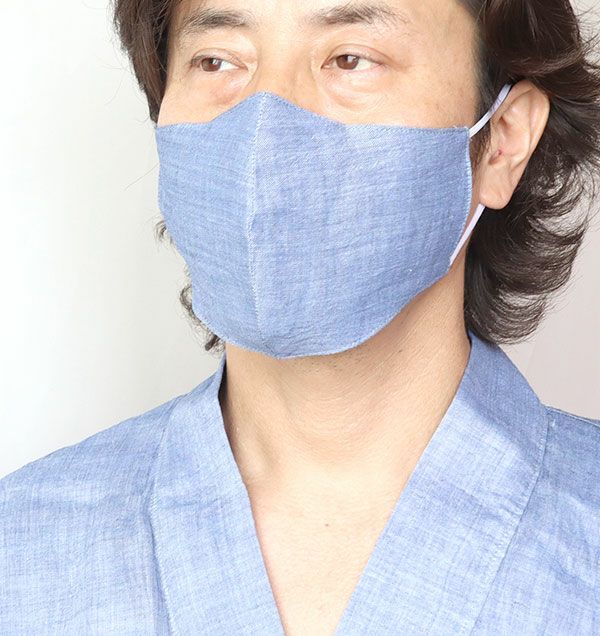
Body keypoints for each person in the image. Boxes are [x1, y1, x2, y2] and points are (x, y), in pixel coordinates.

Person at [1, 0, 599, 633]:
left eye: (350, 59)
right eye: (216, 61)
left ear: (503, 140)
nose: (267, 127)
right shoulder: (22, 551)